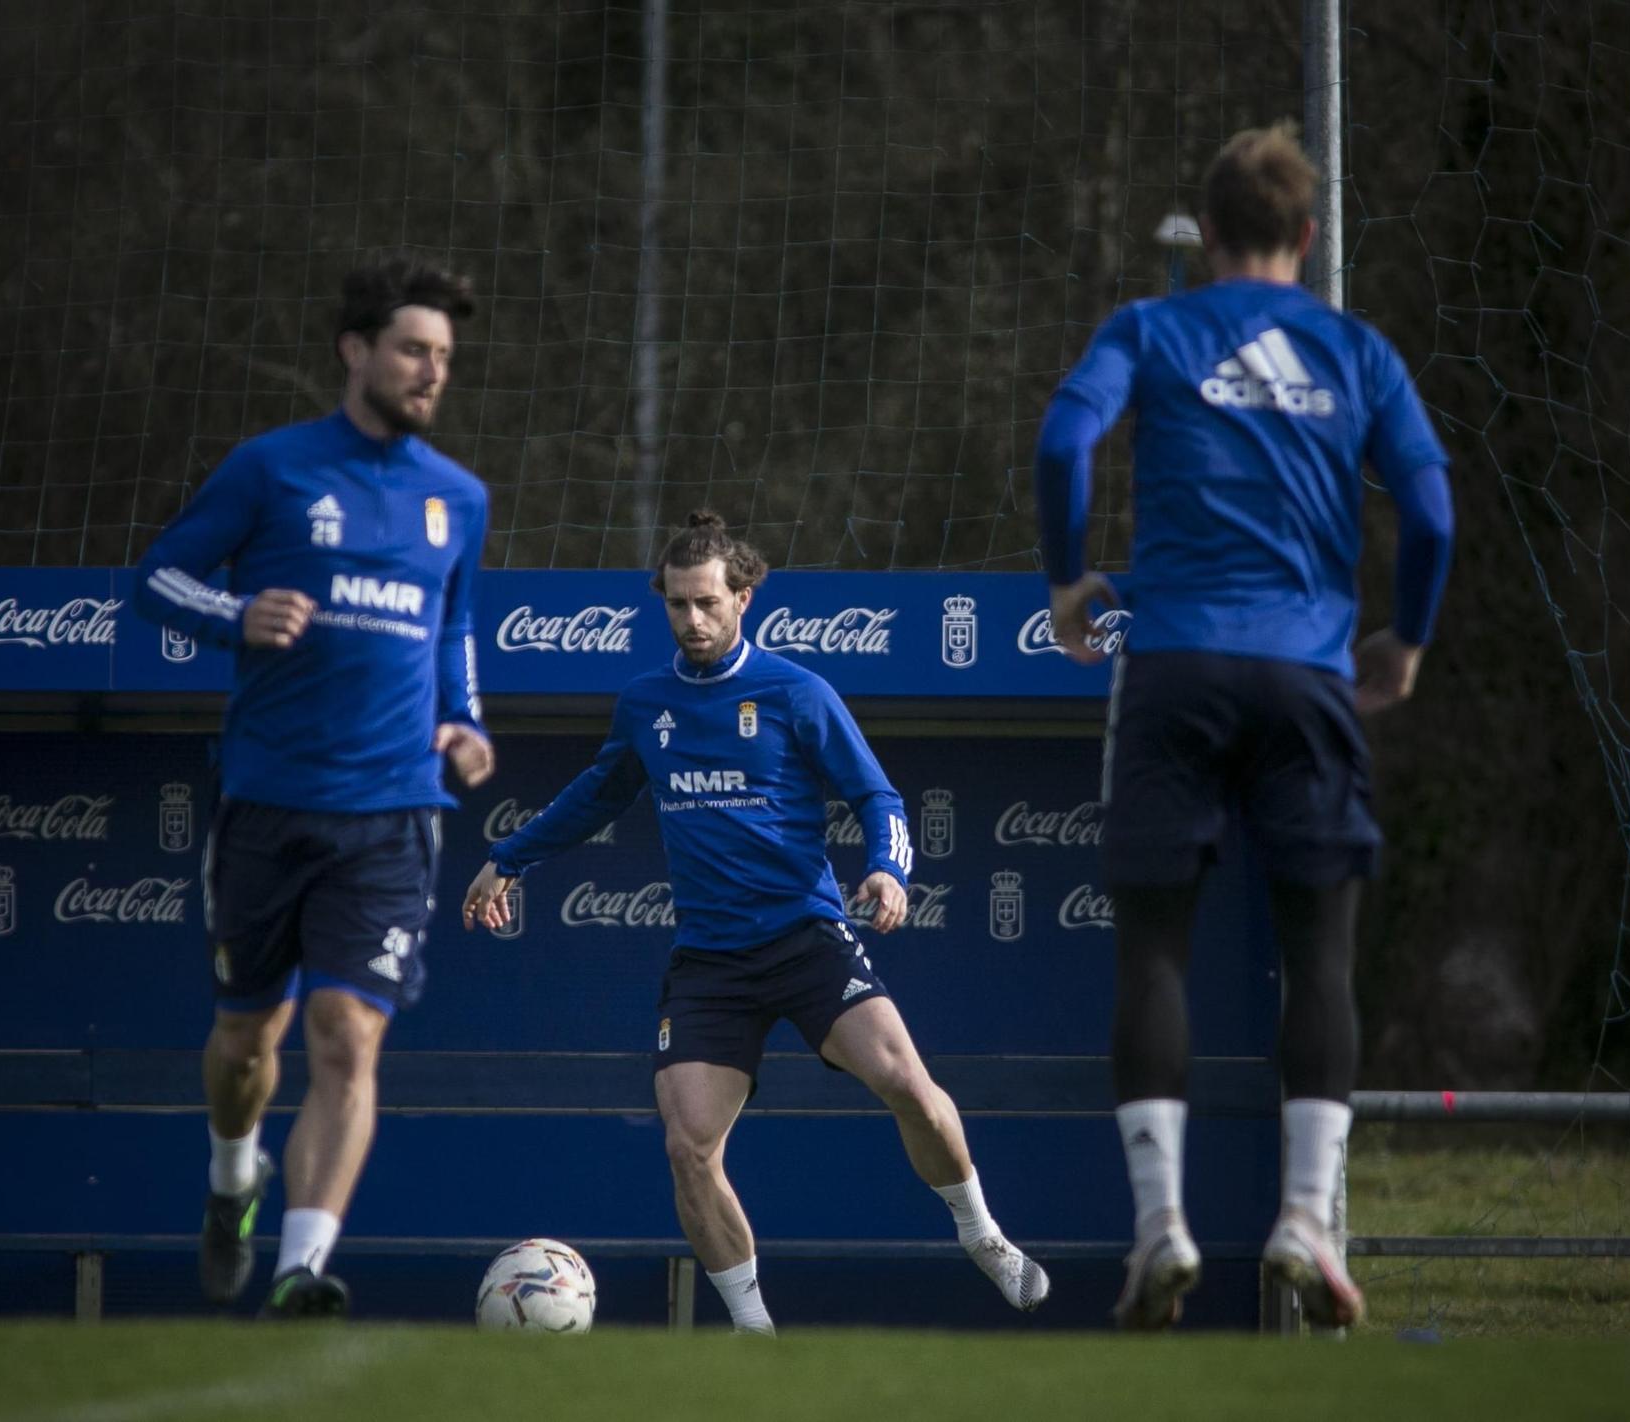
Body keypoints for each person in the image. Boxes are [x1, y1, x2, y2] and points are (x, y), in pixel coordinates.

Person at [1034, 122, 1454, 1329]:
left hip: (1170, 669)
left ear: (1206, 234)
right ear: (1306, 238)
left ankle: (1158, 1226)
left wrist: (1067, 581)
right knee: (1317, 950)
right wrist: (1407, 640)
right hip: (1308, 675)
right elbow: (1427, 511)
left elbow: (1064, 439)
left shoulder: (1151, 329)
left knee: (1153, 948)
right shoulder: (1356, 350)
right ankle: (1305, 1219)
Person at [461, 511, 1049, 1333]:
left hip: (807, 940)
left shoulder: (797, 692)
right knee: (687, 1147)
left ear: (743, 597)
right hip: (709, 964)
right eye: (676, 605)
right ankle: (751, 1330)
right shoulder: (645, 703)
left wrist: (888, 866)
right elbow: (594, 795)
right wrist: (508, 856)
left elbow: (877, 795)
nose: (692, 620)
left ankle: (980, 1233)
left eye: (707, 602)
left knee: (909, 1088)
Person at [134, 253, 495, 1319]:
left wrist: (466, 721)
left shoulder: (456, 497)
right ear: (356, 351)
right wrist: (229, 617)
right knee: (250, 1042)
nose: (430, 372)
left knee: (347, 1032)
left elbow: (456, 624)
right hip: (267, 800)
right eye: (411, 350)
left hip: (393, 814)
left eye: (443, 356)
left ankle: (299, 1267)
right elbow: (156, 577)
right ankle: (230, 1174)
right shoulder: (272, 469)